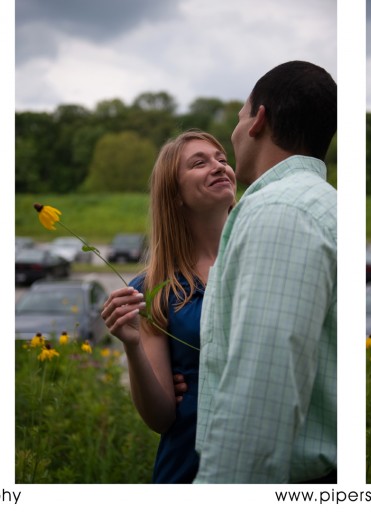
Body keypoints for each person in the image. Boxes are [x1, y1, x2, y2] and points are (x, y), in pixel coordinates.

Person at [193, 61, 337, 483]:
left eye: (239, 117)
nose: (234, 133)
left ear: (258, 120)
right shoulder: (320, 203)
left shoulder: (281, 212)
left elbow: (261, 395)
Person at [101, 130, 235, 483]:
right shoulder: (151, 290)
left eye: (222, 159)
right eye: (199, 162)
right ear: (174, 194)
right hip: (187, 471)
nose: (219, 166)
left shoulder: (261, 265)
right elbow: (160, 418)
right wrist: (132, 346)